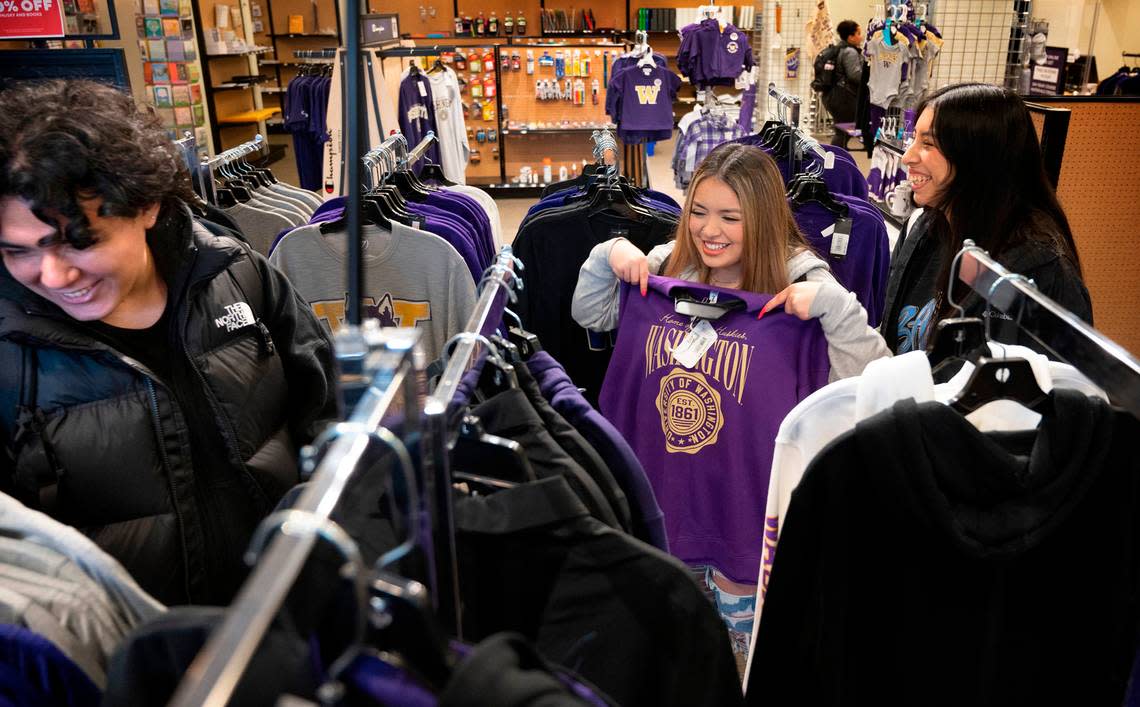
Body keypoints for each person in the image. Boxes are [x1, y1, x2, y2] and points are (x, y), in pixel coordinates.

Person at [0, 80, 339, 606]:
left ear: (147, 206)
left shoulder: (236, 272)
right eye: (17, 252)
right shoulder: (9, 356)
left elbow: (327, 411)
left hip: (295, 607)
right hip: (140, 658)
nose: (53, 274)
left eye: (80, 241)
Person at [573, 142, 888, 382]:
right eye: (697, 213)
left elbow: (872, 382)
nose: (709, 231)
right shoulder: (671, 261)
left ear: (763, 220)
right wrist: (608, 254)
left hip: (758, 463)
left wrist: (837, 310)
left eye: (730, 217)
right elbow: (592, 314)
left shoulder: (802, 280)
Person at [882, 82, 1092, 355]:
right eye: (914, 140)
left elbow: (1052, 387)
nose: (907, 157)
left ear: (978, 158)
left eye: (928, 143)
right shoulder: (924, 228)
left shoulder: (1040, 272)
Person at [821, 20, 864, 148]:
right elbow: (855, 75)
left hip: (836, 96)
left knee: (844, 130)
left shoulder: (840, 48)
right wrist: (869, 76)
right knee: (844, 131)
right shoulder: (850, 52)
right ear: (850, 37)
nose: (861, 36)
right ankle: (835, 157)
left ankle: (838, 156)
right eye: (858, 33)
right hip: (844, 98)